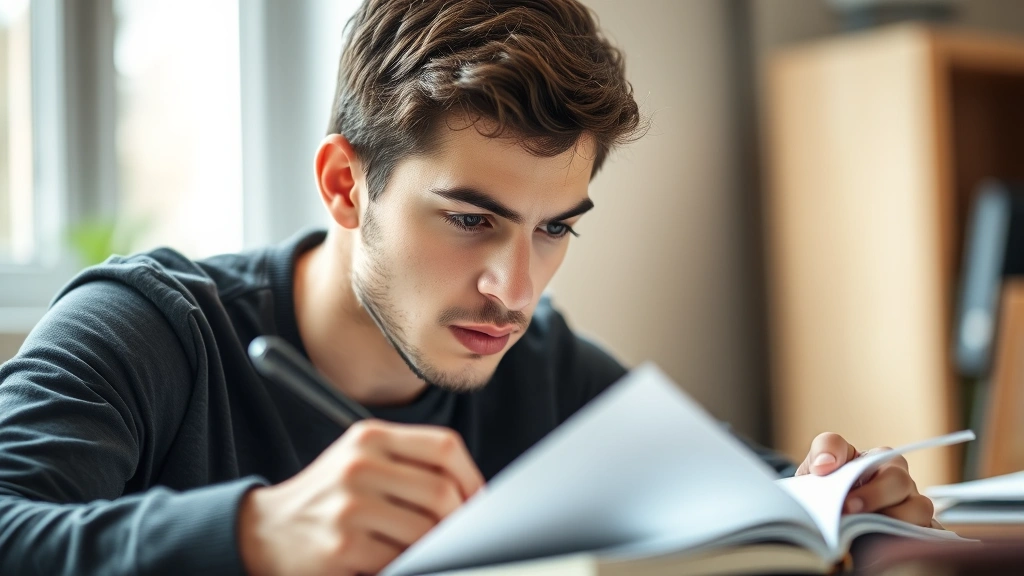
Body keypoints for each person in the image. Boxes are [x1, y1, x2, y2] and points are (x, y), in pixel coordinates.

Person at [0, 0, 939, 574]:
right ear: (344, 185)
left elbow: (752, 496)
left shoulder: (541, 368)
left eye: (556, 227)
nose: (513, 289)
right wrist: (253, 536)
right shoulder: (147, 330)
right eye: (470, 218)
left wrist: (842, 503)